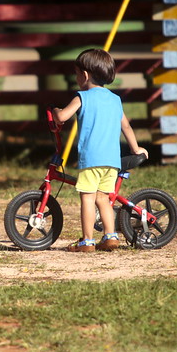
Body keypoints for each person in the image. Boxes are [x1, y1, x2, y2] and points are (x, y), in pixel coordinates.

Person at [52, 48, 148, 252]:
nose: (77, 78)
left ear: (85, 75)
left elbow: (62, 118)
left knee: (87, 198)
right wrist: (136, 148)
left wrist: (56, 111)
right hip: (112, 161)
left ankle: (87, 241)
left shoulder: (82, 97)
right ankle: (110, 236)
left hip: (91, 159)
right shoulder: (115, 100)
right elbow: (126, 127)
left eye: (77, 74)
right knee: (103, 198)